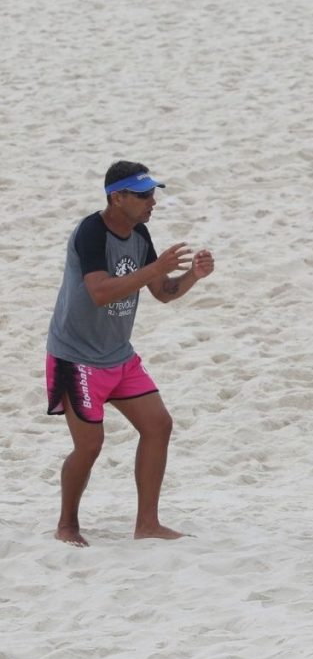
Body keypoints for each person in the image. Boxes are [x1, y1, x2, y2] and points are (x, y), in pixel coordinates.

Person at [46, 160, 215, 547]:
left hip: (118, 356)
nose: (150, 202)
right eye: (142, 195)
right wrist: (154, 266)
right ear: (116, 197)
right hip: (76, 358)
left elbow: (162, 292)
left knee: (159, 425)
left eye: (152, 194)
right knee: (89, 446)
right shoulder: (91, 232)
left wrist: (192, 276)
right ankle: (67, 525)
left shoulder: (140, 233)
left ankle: (148, 524)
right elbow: (100, 291)